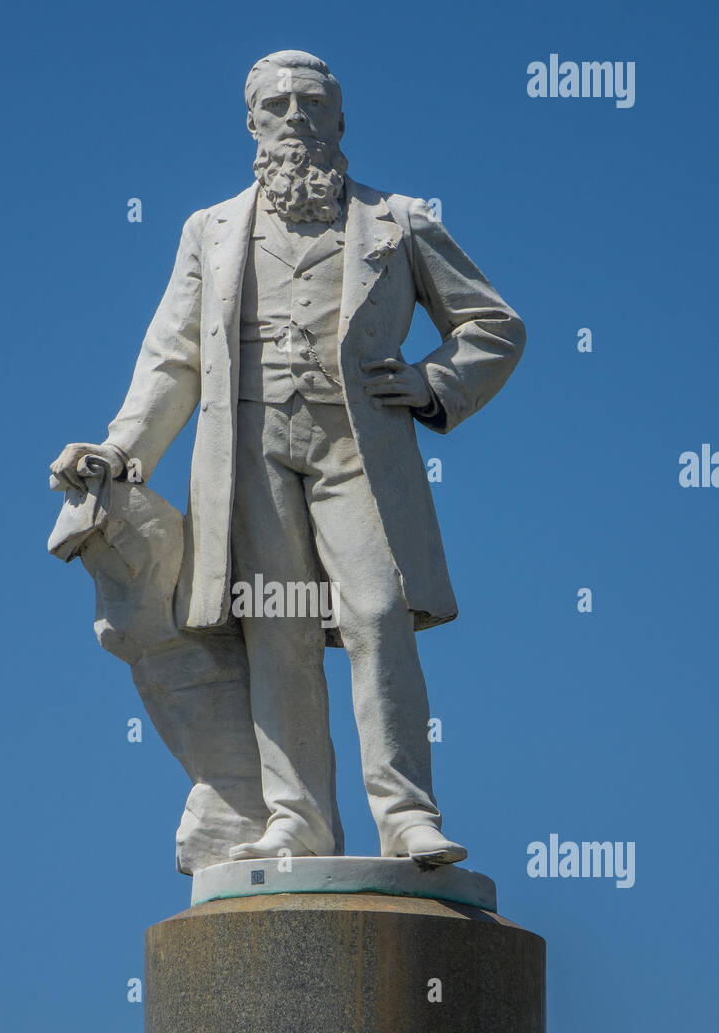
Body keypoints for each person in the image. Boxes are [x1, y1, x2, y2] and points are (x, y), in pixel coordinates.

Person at [50, 50, 526, 864]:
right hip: (249, 451)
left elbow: (494, 327)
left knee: (377, 613)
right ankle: (297, 819)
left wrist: (430, 382)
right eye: (277, 104)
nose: (295, 116)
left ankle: (407, 813)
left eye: (312, 102)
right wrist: (122, 447)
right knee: (279, 626)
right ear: (252, 123)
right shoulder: (211, 228)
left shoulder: (400, 219)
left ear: (341, 119)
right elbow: (173, 358)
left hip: (358, 448)